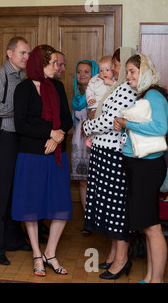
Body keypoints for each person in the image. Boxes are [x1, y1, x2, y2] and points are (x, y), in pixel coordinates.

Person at [11, 45, 73, 277]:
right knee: (32, 206)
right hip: (31, 156)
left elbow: (66, 119)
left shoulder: (57, 86)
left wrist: (57, 137)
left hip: (56, 155)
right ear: (40, 63)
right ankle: (37, 254)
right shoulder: (23, 89)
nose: (57, 67)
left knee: (61, 206)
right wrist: (51, 132)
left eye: (58, 63)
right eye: (52, 63)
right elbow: (22, 124)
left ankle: (51, 252)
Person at [82, 47, 137, 280]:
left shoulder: (126, 88)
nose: (114, 69)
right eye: (116, 65)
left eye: (118, 65)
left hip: (113, 153)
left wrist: (86, 126)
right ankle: (115, 253)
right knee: (108, 207)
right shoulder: (118, 85)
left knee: (116, 209)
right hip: (104, 151)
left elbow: (107, 120)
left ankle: (122, 259)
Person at [114, 54, 168, 283]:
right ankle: (149, 277)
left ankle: (156, 280)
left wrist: (126, 123)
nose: (128, 76)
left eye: (132, 71)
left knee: (153, 227)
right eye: (126, 72)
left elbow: (160, 127)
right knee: (148, 226)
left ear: (144, 71)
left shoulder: (154, 95)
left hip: (147, 168)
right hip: (140, 166)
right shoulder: (146, 94)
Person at [0, 36, 31, 265]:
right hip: (1, 138)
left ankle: (12, 239)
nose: (26, 57)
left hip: (17, 138)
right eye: (22, 53)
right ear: (9, 53)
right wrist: (20, 110)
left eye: (28, 54)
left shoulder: (22, 77)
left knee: (15, 192)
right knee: (0, 194)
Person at [70, 59, 98, 223]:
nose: (82, 74)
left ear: (93, 73)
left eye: (86, 71)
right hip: (78, 142)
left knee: (97, 181)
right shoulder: (77, 97)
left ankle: (99, 218)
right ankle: (88, 220)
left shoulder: (100, 94)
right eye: (79, 71)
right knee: (83, 182)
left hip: (94, 140)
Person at [85, 55, 115, 147]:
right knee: (94, 119)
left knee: (101, 122)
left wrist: (110, 83)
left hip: (106, 108)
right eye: (101, 70)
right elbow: (89, 89)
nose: (104, 73)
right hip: (95, 104)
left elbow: (117, 88)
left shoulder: (114, 80)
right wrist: (90, 98)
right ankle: (90, 137)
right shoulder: (95, 80)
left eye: (107, 70)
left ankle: (92, 137)